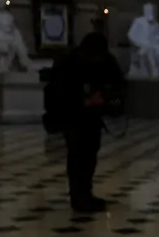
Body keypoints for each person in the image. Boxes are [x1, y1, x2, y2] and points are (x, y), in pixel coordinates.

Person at [43, 32, 122, 212]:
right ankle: (78, 197)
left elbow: (119, 83)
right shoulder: (68, 60)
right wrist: (83, 101)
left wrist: (105, 97)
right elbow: (57, 91)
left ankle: (86, 193)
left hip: (92, 116)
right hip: (72, 114)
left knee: (90, 155)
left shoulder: (105, 60)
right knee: (77, 155)